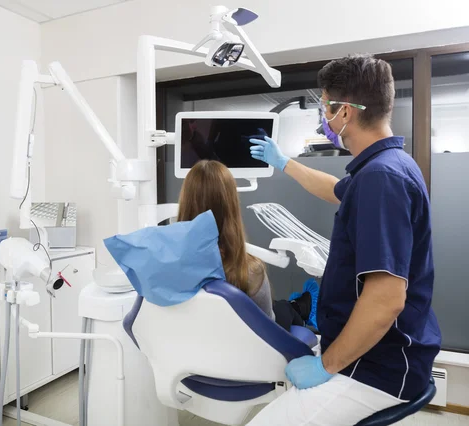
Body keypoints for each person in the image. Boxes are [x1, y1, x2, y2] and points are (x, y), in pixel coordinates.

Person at [247, 54, 441, 425]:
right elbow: (338, 190)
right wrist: (283, 162)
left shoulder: (381, 179)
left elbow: (385, 300)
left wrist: (326, 365)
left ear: (346, 113)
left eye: (324, 107)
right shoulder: (388, 165)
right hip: (373, 352)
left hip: (375, 368)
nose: (324, 118)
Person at [177, 159, 316, 330]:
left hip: (191, 347)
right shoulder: (249, 271)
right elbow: (268, 329)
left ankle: (295, 306)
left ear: (185, 202)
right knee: (282, 310)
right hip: (243, 349)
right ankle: (300, 307)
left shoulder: (164, 268)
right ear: (231, 206)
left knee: (278, 306)